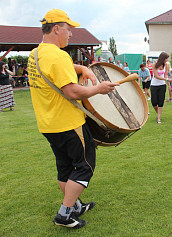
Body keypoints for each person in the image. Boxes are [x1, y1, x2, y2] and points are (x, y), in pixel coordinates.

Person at [27, 9, 117, 229]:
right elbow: (73, 92)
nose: (71, 34)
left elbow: (53, 70)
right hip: (68, 123)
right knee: (85, 166)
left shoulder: (36, 54)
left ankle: (75, 205)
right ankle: (64, 214)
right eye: (68, 29)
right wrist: (99, 88)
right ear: (57, 28)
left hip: (48, 124)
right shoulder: (58, 55)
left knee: (65, 167)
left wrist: (82, 67)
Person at [150, 52, 170, 123]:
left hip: (162, 85)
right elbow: (156, 76)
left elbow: (166, 75)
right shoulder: (154, 64)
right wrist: (166, 79)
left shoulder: (166, 65)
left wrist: (167, 81)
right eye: (166, 58)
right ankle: (158, 114)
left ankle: (159, 118)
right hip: (154, 85)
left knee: (161, 102)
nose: (167, 60)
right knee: (154, 102)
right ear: (163, 58)